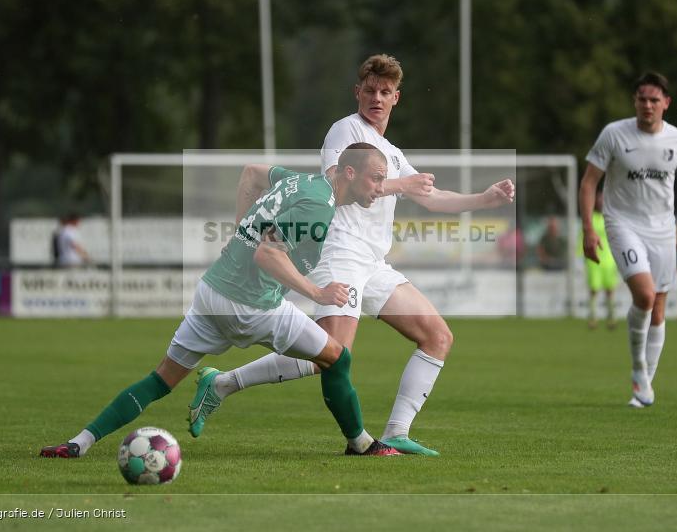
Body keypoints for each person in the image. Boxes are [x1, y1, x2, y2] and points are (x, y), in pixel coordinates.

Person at [192, 54, 515, 456]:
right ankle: (225, 384)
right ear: (357, 92)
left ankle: (396, 432)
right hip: (339, 252)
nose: (377, 98)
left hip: (373, 263)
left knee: (437, 336)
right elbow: (341, 181)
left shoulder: (391, 152)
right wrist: (402, 185)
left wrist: (484, 199)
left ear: (396, 98)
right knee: (331, 354)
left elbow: (430, 196)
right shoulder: (345, 130)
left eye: (385, 92)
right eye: (371, 90)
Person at [40, 144, 401, 458]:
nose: (380, 188)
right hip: (252, 306)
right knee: (337, 358)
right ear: (349, 172)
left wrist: (241, 229)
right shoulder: (319, 206)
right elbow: (268, 254)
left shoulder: (300, 181)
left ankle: (78, 443)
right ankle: (361, 444)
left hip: (212, 293)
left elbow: (251, 173)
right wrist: (317, 293)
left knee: (161, 380)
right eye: (376, 179)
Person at [579, 72, 677, 408]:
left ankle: (644, 386)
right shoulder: (614, 134)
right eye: (642, 99)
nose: (647, 105)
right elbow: (589, 182)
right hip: (622, 224)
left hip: (662, 230)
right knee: (645, 296)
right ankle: (638, 370)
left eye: (654, 100)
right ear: (634, 102)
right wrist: (589, 228)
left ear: (666, 103)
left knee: (658, 309)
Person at [579, 190, 618, 329]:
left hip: (609, 260)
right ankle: (593, 317)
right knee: (594, 289)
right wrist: (580, 255)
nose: (601, 202)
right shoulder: (590, 219)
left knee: (610, 289)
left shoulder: (611, 217)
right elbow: (582, 238)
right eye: (599, 199)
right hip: (593, 260)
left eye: (603, 199)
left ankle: (611, 316)